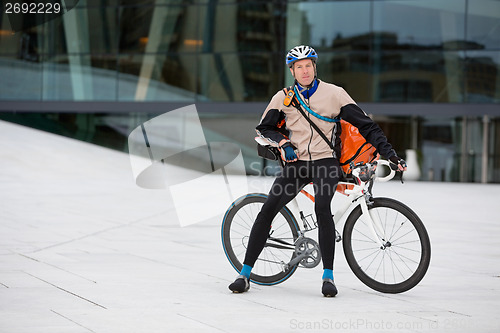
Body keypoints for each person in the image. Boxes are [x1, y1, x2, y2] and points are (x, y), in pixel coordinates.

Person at [228, 45, 407, 297]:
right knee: (269, 207)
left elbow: (367, 127)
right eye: (298, 66)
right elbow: (264, 128)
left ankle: (328, 277)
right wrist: (283, 143)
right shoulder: (283, 97)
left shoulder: (335, 94)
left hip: (326, 162)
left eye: (308, 65)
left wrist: (390, 153)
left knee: (322, 209)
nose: (304, 70)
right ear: (292, 70)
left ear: (315, 67)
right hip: (296, 164)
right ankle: (244, 274)